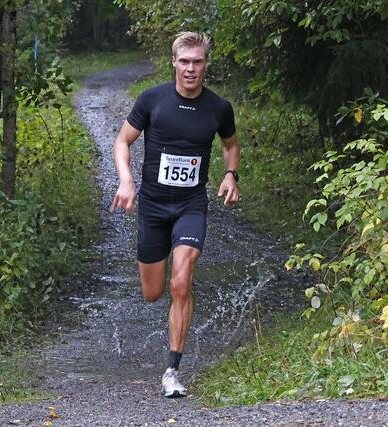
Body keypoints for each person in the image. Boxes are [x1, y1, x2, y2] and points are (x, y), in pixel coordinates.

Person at [110, 31, 240, 398]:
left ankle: (172, 370)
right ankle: (166, 316)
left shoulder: (218, 108)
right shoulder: (153, 100)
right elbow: (122, 142)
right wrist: (126, 181)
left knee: (181, 282)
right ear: (174, 63)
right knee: (153, 293)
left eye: (197, 61)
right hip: (153, 206)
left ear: (206, 65)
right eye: (184, 61)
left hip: (190, 205)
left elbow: (231, 146)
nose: (191, 69)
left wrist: (231, 175)